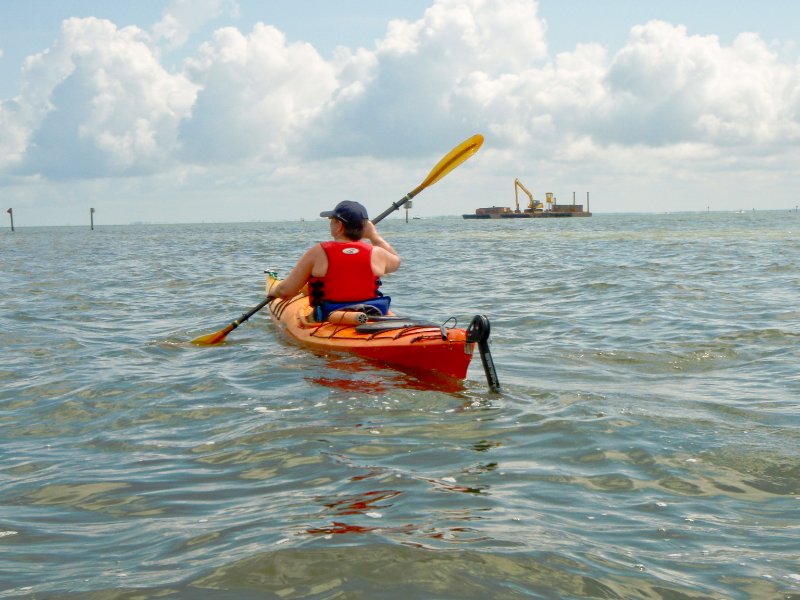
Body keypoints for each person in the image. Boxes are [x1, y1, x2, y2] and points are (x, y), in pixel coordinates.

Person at [269, 200, 400, 318]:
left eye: (332, 220)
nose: (330, 223)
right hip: (372, 313)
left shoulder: (318, 252)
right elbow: (396, 261)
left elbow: (286, 291)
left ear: (339, 225)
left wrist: (274, 291)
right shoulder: (377, 253)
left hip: (329, 316)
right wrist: (374, 236)